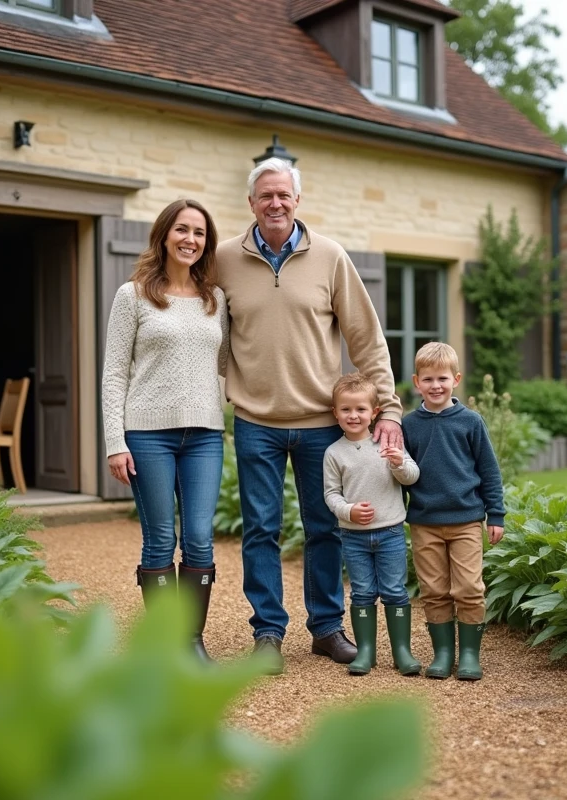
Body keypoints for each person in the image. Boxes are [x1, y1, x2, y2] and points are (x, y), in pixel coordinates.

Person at [216, 157, 403, 674]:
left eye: (284, 195)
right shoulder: (224, 259)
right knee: (260, 529)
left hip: (323, 424)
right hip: (257, 422)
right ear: (250, 202)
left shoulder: (331, 257)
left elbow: (366, 338)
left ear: (297, 200)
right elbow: (205, 333)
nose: (275, 203)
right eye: (265, 196)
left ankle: (325, 628)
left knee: (324, 527)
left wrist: (387, 406)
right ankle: (268, 633)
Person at [102, 198, 228, 662]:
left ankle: (192, 641)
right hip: (147, 435)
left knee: (198, 535)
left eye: (198, 232)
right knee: (159, 538)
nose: (190, 239)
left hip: (204, 437)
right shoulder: (132, 295)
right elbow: (114, 372)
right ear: (164, 234)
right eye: (182, 229)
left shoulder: (217, 300)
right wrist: (116, 442)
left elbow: (225, 363)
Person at [401, 342, 505, 681]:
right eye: (428, 379)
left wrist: (496, 515)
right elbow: (402, 474)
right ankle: (443, 653)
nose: (435, 386)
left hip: (465, 520)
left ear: (456, 379)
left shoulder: (471, 422)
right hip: (425, 523)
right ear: (417, 382)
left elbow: (489, 471)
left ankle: (470, 655)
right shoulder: (409, 425)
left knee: (469, 588)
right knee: (434, 590)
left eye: (442, 378)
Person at [322, 372, 422, 677]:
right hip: (353, 537)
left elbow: (412, 475)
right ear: (335, 413)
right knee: (362, 592)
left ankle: (401, 651)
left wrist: (398, 463)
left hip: (390, 532)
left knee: (395, 591)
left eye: (361, 409)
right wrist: (349, 511)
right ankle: (366, 651)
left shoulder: (387, 443)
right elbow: (331, 494)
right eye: (347, 410)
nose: (354, 416)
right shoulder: (333, 453)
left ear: (374, 412)